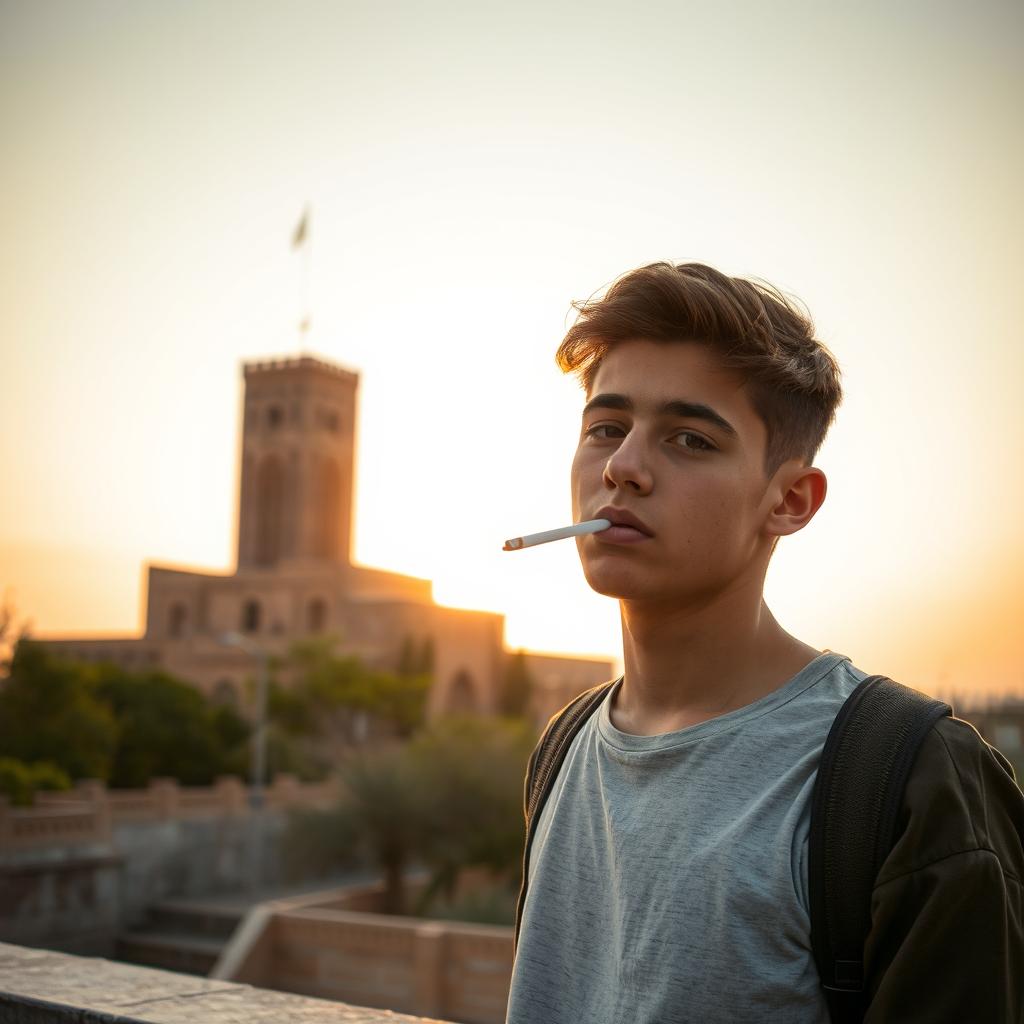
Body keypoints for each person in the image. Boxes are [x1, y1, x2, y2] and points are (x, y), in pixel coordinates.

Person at [506, 262, 1024, 1023]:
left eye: (688, 439)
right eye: (606, 429)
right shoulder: (565, 746)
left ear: (787, 500)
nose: (622, 468)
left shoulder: (910, 780)